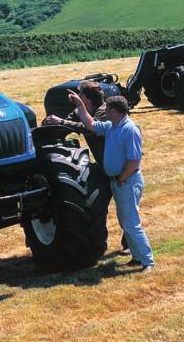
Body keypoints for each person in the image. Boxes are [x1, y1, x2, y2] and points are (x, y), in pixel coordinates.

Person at [67, 91, 154, 272]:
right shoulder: (112, 126)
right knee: (125, 222)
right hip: (120, 182)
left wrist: (121, 179)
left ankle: (148, 262)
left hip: (127, 182)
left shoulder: (129, 129)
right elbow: (90, 124)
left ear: (115, 111)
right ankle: (137, 258)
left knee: (131, 223)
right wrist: (79, 105)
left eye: (107, 108)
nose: (104, 110)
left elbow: (134, 160)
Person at [43, 81, 130, 255]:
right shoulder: (81, 111)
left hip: (121, 170)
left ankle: (130, 245)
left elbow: (91, 129)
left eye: (80, 94)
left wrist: (64, 119)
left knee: (125, 211)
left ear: (86, 98)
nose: (77, 96)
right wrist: (50, 123)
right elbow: (67, 122)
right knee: (97, 207)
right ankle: (99, 242)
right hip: (103, 168)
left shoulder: (104, 112)